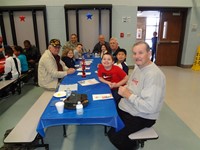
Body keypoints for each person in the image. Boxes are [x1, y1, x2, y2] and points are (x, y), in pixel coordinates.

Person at [107, 41, 166, 150]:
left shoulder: (153, 75)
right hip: (129, 108)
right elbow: (131, 86)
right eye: (134, 53)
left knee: (114, 137)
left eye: (140, 53)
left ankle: (132, 146)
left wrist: (128, 95)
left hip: (143, 115)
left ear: (149, 53)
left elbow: (150, 107)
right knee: (109, 116)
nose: (137, 56)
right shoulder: (138, 67)